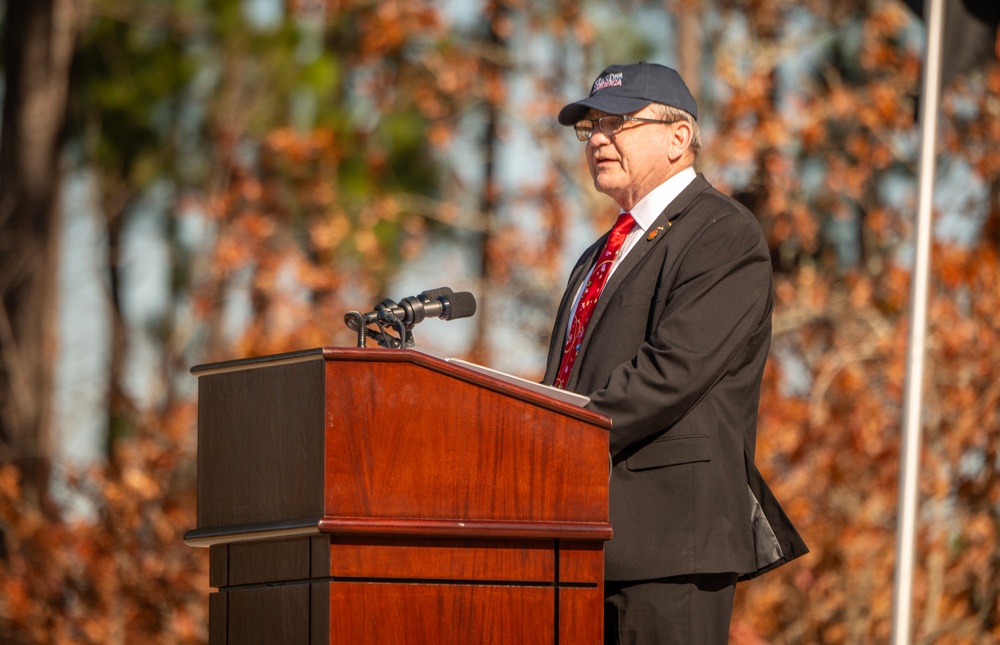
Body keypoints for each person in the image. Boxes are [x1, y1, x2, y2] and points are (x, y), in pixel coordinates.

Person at [542, 62, 808, 644]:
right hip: (579, 540)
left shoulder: (722, 232)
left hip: (668, 547)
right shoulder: (597, 254)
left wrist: (555, 434)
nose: (600, 139)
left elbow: (670, 371)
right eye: (591, 127)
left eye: (619, 122)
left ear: (678, 138)